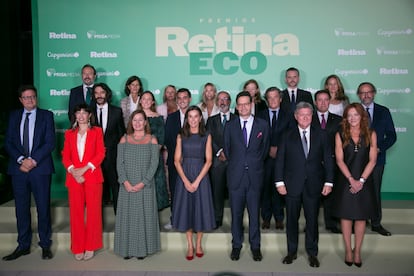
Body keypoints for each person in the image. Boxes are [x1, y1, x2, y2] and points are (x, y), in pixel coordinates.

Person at [275, 102, 334, 268]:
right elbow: (280, 160)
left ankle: (312, 253)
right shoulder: (287, 135)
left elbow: (328, 160)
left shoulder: (322, 134)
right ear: (296, 116)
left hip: (314, 185)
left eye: (308, 114)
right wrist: (279, 182)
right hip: (291, 185)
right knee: (292, 220)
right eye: (302, 114)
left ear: (312, 115)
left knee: (312, 221)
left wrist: (329, 181)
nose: (305, 117)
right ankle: (291, 251)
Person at [3, 85, 55, 261]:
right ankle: (23, 245)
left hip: (40, 169)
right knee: (21, 209)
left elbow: (50, 143)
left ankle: (45, 245)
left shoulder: (46, 116)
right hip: (19, 170)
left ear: (36, 98)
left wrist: (32, 160)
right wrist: (21, 159)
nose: (30, 100)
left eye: (32, 97)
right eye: (26, 97)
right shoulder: (13, 116)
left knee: (43, 208)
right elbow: (8, 142)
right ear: (20, 100)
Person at [224, 91, 269, 262]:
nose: (243, 107)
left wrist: (252, 163)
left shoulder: (263, 125)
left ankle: (255, 247)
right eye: (240, 104)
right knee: (236, 215)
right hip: (236, 177)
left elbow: (263, 151)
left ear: (251, 105)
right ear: (236, 106)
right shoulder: (230, 125)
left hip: (255, 176)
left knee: (254, 215)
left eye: (246, 103)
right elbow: (228, 150)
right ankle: (236, 246)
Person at [332, 103, 378, 267]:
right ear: (345, 117)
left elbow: (373, 160)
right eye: (349, 115)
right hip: (346, 181)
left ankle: (357, 251)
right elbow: (339, 160)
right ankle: (348, 250)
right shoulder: (340, 134)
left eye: (356, 115)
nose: (352, 118)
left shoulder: (371, 134)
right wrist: (352, 180)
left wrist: (361, 181)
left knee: (360, 217)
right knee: (346, 216)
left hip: (364, 181)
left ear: (362, 117)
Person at [114, 110, 161, 260]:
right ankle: (126, 250)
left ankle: (142, 250)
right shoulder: (124, 139)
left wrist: (143, 182)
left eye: (141, 120)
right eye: (135, 120)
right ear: (131, 122)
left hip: (145, 185)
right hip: (126, 185)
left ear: (146, 122)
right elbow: (119, 163)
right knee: (127, 218)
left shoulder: (152, 139)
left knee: (143, 218)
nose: (138, 123)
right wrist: (125, 182)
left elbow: (154, 164)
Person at [61, 104, 105, 261]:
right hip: (74, 178)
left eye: (84, 113)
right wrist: (74, 171)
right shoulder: (69, 133)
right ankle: (78, 246)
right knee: (76, 213)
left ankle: (91, 245)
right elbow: (65, 156)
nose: (80, 115)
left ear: (89, 115)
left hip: (92, 176)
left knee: (93, 213)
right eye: (77, 113)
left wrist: (84, 169)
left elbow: (101, 153)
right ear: (75, 116)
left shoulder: (97, 131)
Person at [172, 106, 216, 260]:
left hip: (201, 176)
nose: (193, 119)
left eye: (195, 116)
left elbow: (209, 160)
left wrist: (197, 181)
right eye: (190, 116)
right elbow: (176, 161)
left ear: (200, 118)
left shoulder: (206, 135)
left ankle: (199, 244)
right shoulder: (181, 135)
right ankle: (190, 245)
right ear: (187, 119)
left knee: (200, 210)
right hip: (184, 175)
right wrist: (185, 181)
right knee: (187, 211)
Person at [357, 82, 397, 236]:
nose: (366, 95)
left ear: (374, 93)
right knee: (357, 191)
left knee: (374, 191)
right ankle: (359, 219)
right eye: (362, 92)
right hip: (357, 159)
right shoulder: (354, 111)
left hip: (377, 159)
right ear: (359, 95)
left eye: (369, 92)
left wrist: (379, 148)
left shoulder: (383, 111)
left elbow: (392, 135)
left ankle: (376, 222)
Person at [256, 87, 293, 231]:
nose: (272, 100)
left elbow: (290, 136)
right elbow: (257, 137)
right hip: (264, 158)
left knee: (280, 188)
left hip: (282, 159)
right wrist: (268, 149)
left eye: (275, 97)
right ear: (266, 100)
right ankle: (265, 218)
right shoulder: (260, 115)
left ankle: (279, 218)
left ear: (281, 99)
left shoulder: (289, 115)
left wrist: (279, 149)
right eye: (269, 97)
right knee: (265, 189)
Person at [311, 90, 342, 233]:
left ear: (329, 101)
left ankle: (331, 223)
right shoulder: (308, 118)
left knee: (331, 195)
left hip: (333, 163)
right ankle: (311, 223)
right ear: (315, 102)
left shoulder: (338, 120)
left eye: (325, 100)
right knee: (313, 195)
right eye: (319, 100)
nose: (323, 102)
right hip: (313, 164)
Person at [92, 83, 125, 212]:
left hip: (112, 156)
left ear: (107, 94)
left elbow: (121, 134)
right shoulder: (88, 112)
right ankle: (97, 221)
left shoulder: (116, 111)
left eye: (102, 92)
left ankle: (119, 218)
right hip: (93, 158)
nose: (99, 95)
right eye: (96, 93)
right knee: (96, 189)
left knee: (116, 186)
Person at [205, 91, 235, 229]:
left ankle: (236, 220)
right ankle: (217, 219)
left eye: (225, 99)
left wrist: (228, 152)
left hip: (234, 160)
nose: (223, 102)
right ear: (217, 103)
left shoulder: (237, 118)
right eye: (220, 99)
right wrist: (219, 151)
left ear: (230, 102)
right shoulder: (211, 120)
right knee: (217, 192)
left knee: (235, 192)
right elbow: (208, 138)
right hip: (217, 162)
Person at [164, 88, 192, 229]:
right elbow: (168, 139)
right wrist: (178, 156)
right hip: (175, 161)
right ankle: (174, 218)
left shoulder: (196, 116)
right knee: (175, 191)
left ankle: (191, 219)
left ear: (190, 99)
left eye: (185, 97)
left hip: (193, 161)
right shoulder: (171, 117)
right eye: (179, 98)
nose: (182, 100)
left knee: (191, 191)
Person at [138, 91, 169, 211]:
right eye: (144, 99)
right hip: (137, 159)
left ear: (152, 102)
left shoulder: (158, 118)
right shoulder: (135, 117)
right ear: (140, 101)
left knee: (155, 186)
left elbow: (160, 140)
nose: (146, 101)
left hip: (154, 158)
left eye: (149, 99)